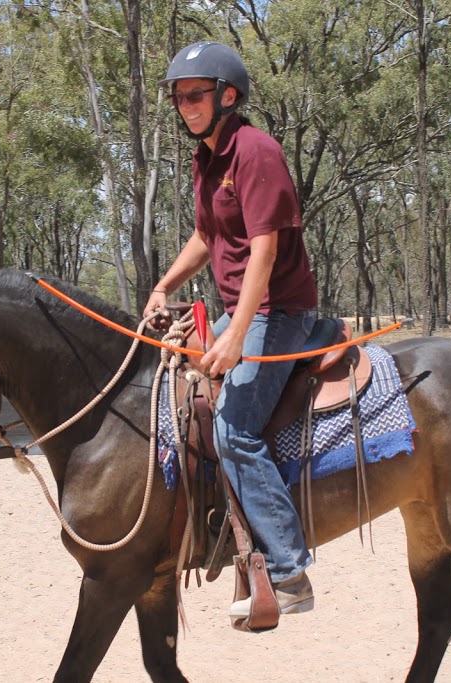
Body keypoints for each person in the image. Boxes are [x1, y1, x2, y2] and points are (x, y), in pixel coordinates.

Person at [143, 41, 319, 618]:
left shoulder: (256, 150)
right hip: (239, 307)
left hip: (279, 312)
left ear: (229, 96)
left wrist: (238, 333)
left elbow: (265, 250)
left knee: (235, 430)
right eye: (179, 97)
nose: (185, 105)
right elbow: (205, 238)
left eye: (196, 94)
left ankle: (290, 570)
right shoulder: (207, 158)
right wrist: (163, 286)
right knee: (176, 390)